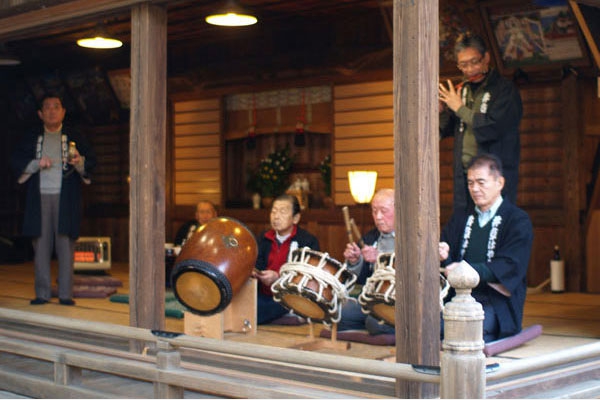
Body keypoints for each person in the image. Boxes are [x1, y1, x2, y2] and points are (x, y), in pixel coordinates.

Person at [11, 93, 96, 306]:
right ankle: (42, 293)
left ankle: (66, 294)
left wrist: (79, 161)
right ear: (40, 114)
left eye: (56, 107)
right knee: (41, 245)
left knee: (65, 244)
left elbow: (91, 161)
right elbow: (15, 159)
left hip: (65, 198)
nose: (51, 111)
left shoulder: (74, 135)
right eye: (47, 107)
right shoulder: (32, 136)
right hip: (39, 198)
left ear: (63, 112)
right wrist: (36, 163)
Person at [439, 153, 533, 342]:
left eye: (481, 182)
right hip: (456, 298)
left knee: (465, 332)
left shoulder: (517, 220)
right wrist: (443, 256)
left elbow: (510, 265)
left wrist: (466, 270)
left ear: (500, 183)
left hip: (494, 301)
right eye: (470, 183)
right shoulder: (460, 217)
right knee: (427, 325)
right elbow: (448, 260)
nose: (475, 189)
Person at [439, 32, 523, 213]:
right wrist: (441, 111)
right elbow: (448, 128)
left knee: (494, 222)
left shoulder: (504, 90)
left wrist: (459, 108)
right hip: (464, 175)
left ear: (486, 58)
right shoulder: (462, 89)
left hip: (494, 175)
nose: (470, 69)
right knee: (464, 222)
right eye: (463, 65)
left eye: (474, 62)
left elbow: (493, 127)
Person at [252, 194, 319, 325]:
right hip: (265, 295)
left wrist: (278, 277)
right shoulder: (263, 238)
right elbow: (257, 264)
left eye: (282, 212)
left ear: (296, 218)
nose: (276, 216)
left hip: (290, 297)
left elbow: (309, 278)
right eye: (273, 211)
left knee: (258, 309)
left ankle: (288, 314)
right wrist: (255, 272)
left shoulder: (308, 241)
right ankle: (288, 316)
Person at [338, 188, 396, 335]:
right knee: (338, 312)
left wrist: (380, 258)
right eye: (374, 211)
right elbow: (357, 279)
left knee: (375, 323)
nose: (378, 216)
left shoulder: (413, 236)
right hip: (371, 298)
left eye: (384, 211)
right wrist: (355, 261)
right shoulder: (370, 238)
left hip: (399, 301)